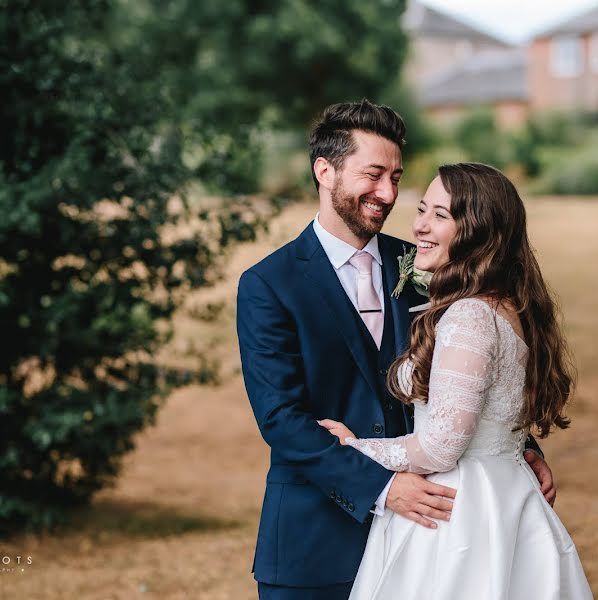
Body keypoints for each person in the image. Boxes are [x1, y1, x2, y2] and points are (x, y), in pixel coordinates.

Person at [236, 101, 556, 600]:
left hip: (433, 535)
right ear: (325, 170)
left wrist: (520, 448)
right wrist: (382, 489)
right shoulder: (268, 285)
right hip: (317, 539)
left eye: (397, 177)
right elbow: (280, 418)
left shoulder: (429, 264)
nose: (388, 194)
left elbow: (473, 372)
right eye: (373, 175)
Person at [320, 163, 592, 599]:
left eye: (440, 216)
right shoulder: (509, 306)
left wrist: (353, 448)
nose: (420, 225)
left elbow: (442, 444)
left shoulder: (469, 315)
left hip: (457, 514)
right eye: (423, 209)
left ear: (478, 232)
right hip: (506, 495)